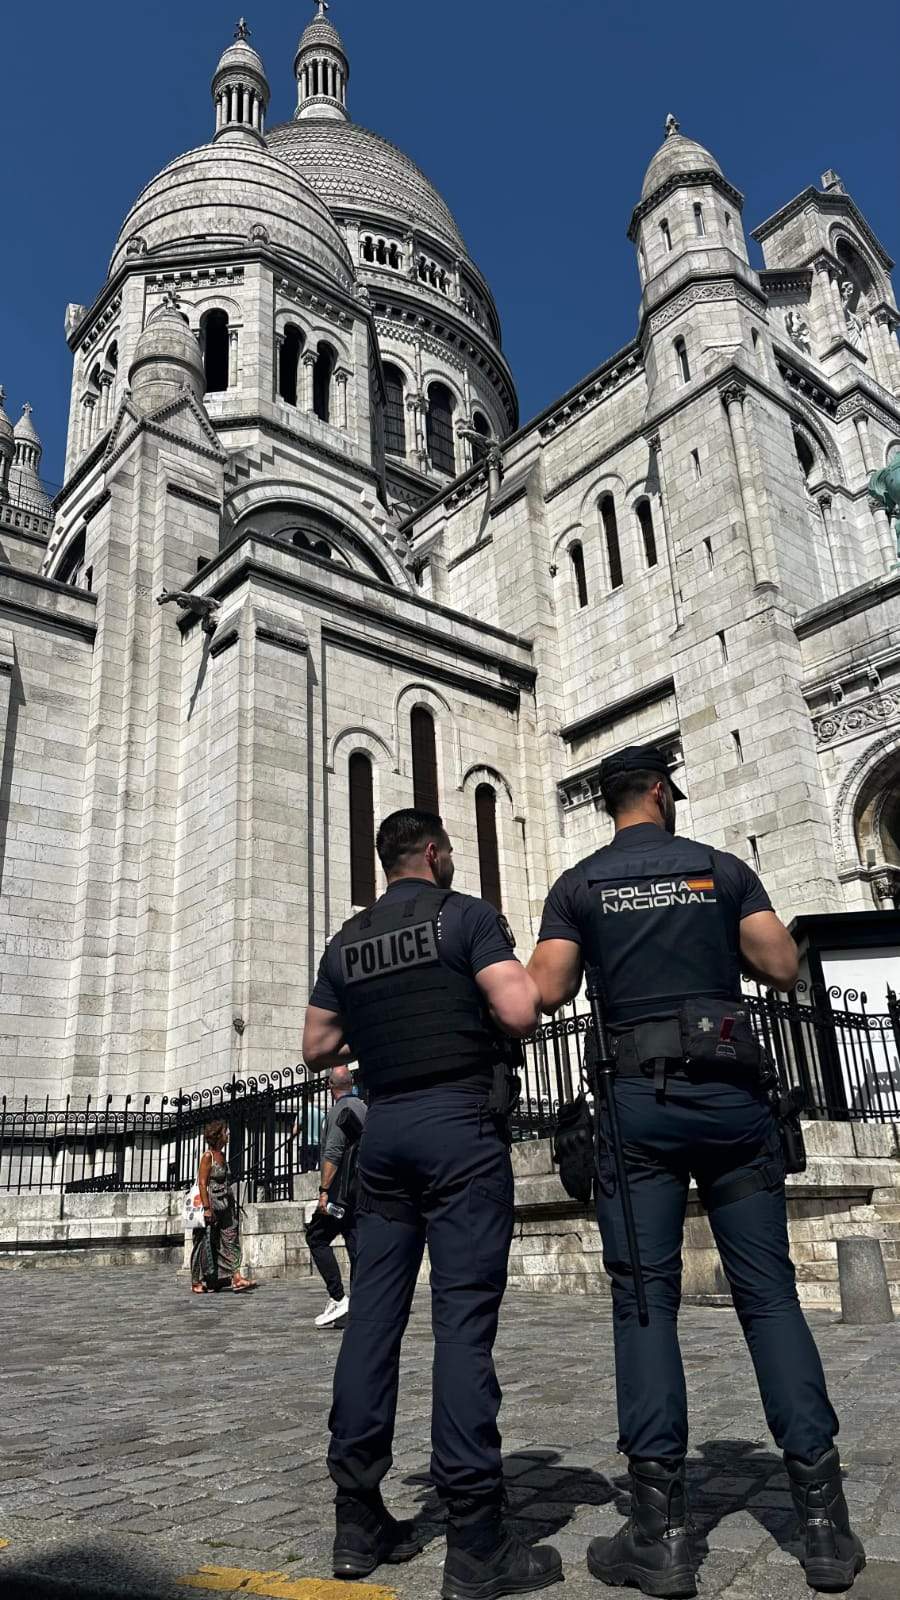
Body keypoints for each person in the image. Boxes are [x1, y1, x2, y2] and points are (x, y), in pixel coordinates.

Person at [528, 746, 864, 1599]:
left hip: (638, 1109)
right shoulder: (719, 871)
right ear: (654, 794)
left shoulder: (580, 884)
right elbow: (784, 965)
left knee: (645, 1301)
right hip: (732, 1106)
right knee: (770, 1296)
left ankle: (663, 1536)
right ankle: (822, 1524)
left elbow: (550, 991)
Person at [302, 809, 563, 1596]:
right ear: (438, 853)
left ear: (385, 864)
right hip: (456, 1129)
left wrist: (374, 1031)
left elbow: (316, 1046)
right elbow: (520, 1010)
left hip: (383, 1140)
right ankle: (477, 1534)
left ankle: (358, 1517)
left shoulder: (347, 940)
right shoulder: (466, 916)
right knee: (462, 1324)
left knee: (372, 1319)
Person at [305, 1064, 367, 1328]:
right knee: (355, 1247)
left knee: (316, 1237)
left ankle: (338, 1297)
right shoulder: (364, 1108)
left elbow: (333, 1154)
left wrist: (323, 1192)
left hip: (339, 1193)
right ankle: (358, 1306)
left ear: (330, 1087)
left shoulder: (338, 1111)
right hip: (360, 1192)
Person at [190, 1120, 257, 1295]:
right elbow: (202, 1183)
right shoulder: (208, 1157)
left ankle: (235, 1276)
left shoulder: (222, 1155)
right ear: (218, 1135)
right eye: (226, 1132)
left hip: (226, 1204)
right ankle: (197, 1280)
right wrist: (206, 1208)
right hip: (211, 1203)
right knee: (204, 1242)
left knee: (230, 1238)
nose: (228, 1135)